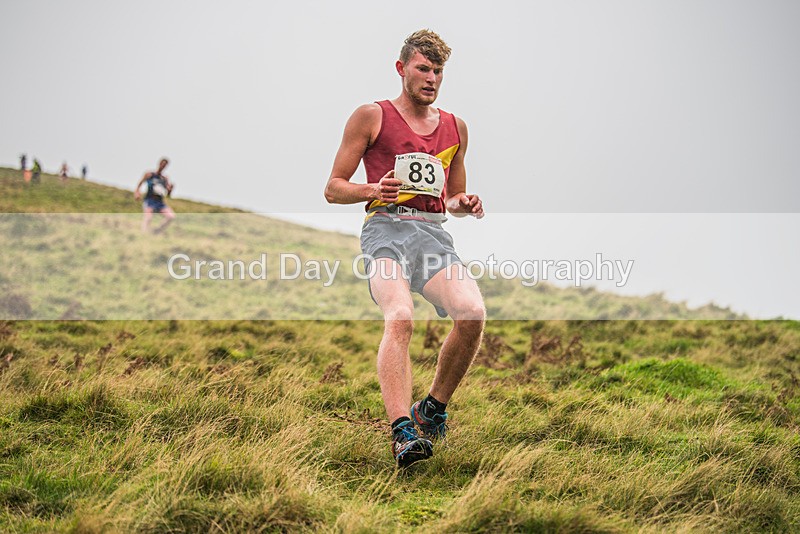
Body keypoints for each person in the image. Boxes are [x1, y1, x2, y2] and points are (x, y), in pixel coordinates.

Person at [324, 29, 485, 468]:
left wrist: (465, 203)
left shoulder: (456, 127)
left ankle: (431, 410)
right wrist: (374, 188)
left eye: (438, 71)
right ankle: (402, 433)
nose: (431, 78)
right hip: (386, 231)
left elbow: (453, 197)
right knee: (400, 317)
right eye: (423, 69)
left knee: (472, 315)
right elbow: (333, 189)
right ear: (402, 69)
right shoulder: (371, 116)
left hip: (432, 236)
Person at [134, 158, 176, 234]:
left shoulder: (165, 179)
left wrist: (170, 190)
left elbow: (168, 194)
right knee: (148, 218)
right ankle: (143, 234)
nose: (163, 166)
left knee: (171, 216)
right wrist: (137, 192)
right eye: (162, 164)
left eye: (165, 165)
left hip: (160, 202)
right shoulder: (149, 174)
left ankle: (157, 231)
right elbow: (140, 184)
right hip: (149, 200)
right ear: (159, 163)